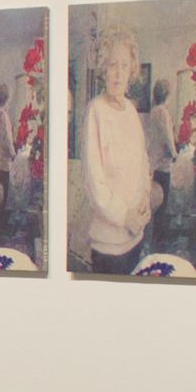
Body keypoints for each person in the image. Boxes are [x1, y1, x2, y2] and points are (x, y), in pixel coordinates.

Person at [72, 22, 171, 271]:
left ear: (131, 72)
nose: (118, 72)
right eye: (112, 65)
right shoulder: (95, 110)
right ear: (104, 69)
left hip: (136, 234)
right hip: (108, 243)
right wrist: (124, 217)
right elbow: (94, 183)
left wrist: (145, 198)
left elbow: (143, 163)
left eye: (124, 65)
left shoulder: (130, 110)